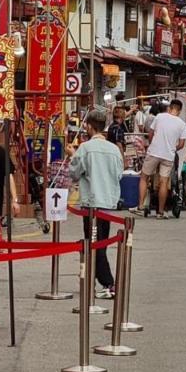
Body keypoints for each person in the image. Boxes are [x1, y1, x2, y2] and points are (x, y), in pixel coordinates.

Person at [68, 109, 124, 297]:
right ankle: (91, 279)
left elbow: (74, 173)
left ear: (90, 126)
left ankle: (108, 283)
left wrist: (72, 155)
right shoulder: (114, 149)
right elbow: (118, 174)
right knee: (101, 242)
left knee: (94, 243)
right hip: (108, 203)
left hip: (92, 203)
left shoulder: (85, 148)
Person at [138, 98, 186, 219]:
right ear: (180, 111)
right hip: (168, 156)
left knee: (145, 177)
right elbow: (181, 144)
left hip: (154, 151)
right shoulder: (182, 124)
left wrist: (152, 144)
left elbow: (151, 133)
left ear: (169, 108)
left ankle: (140, 206)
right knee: (164, 182)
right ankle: (160, 212)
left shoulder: (160, 117)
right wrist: (171, 148)